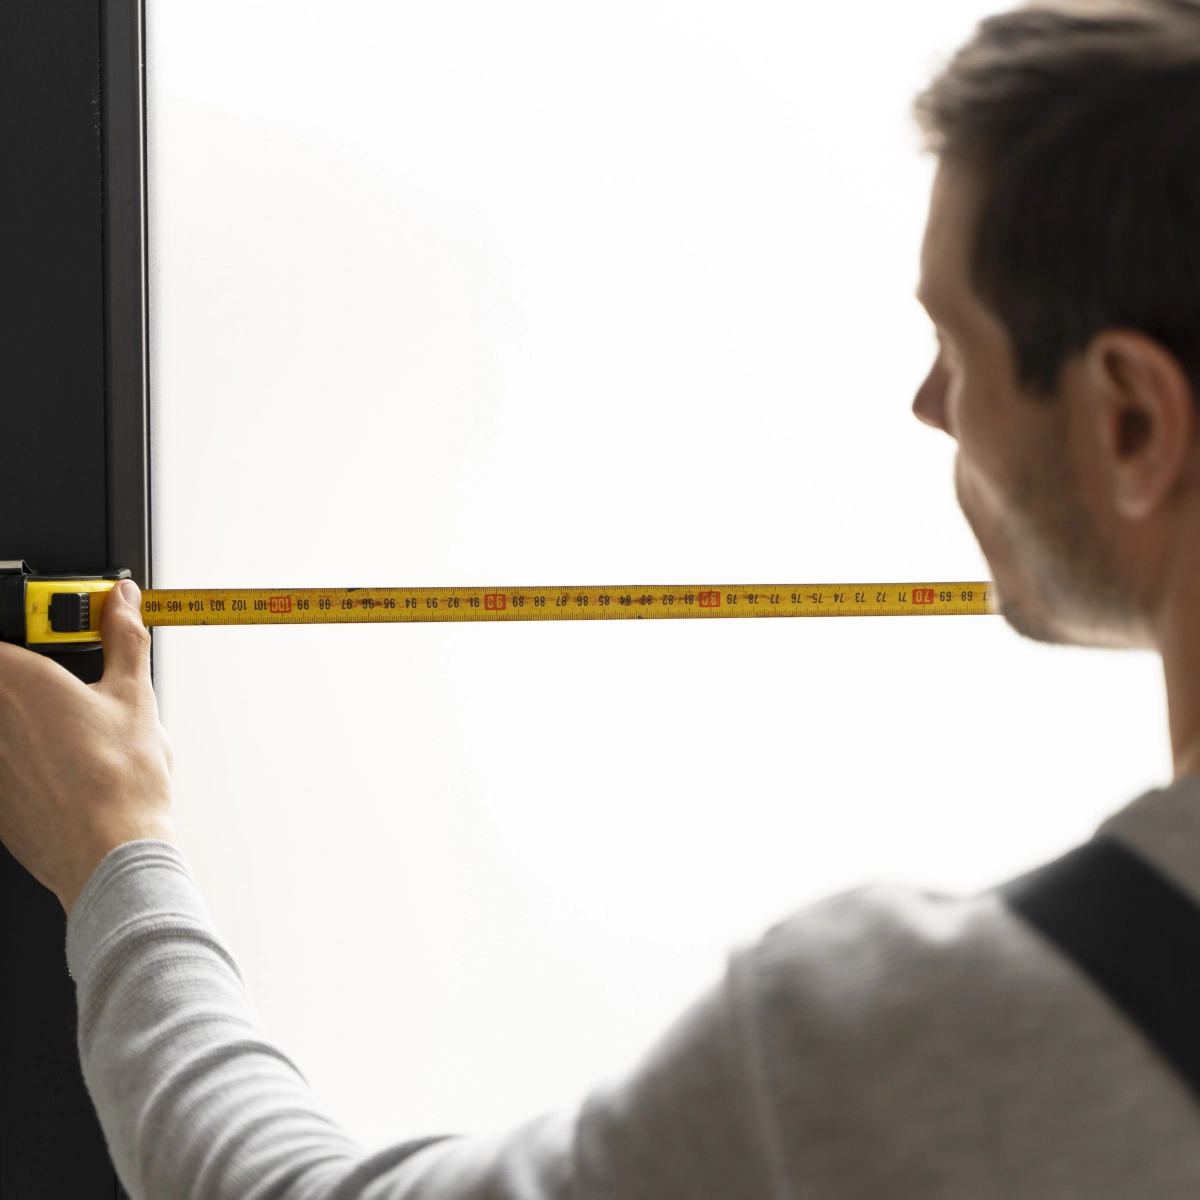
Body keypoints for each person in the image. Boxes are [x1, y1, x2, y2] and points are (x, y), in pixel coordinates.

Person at [5, 1, 1200, 1195]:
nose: (928, 405)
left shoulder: (912, 1052)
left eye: (954, 342)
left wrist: (117, 853)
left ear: (1132, 420)